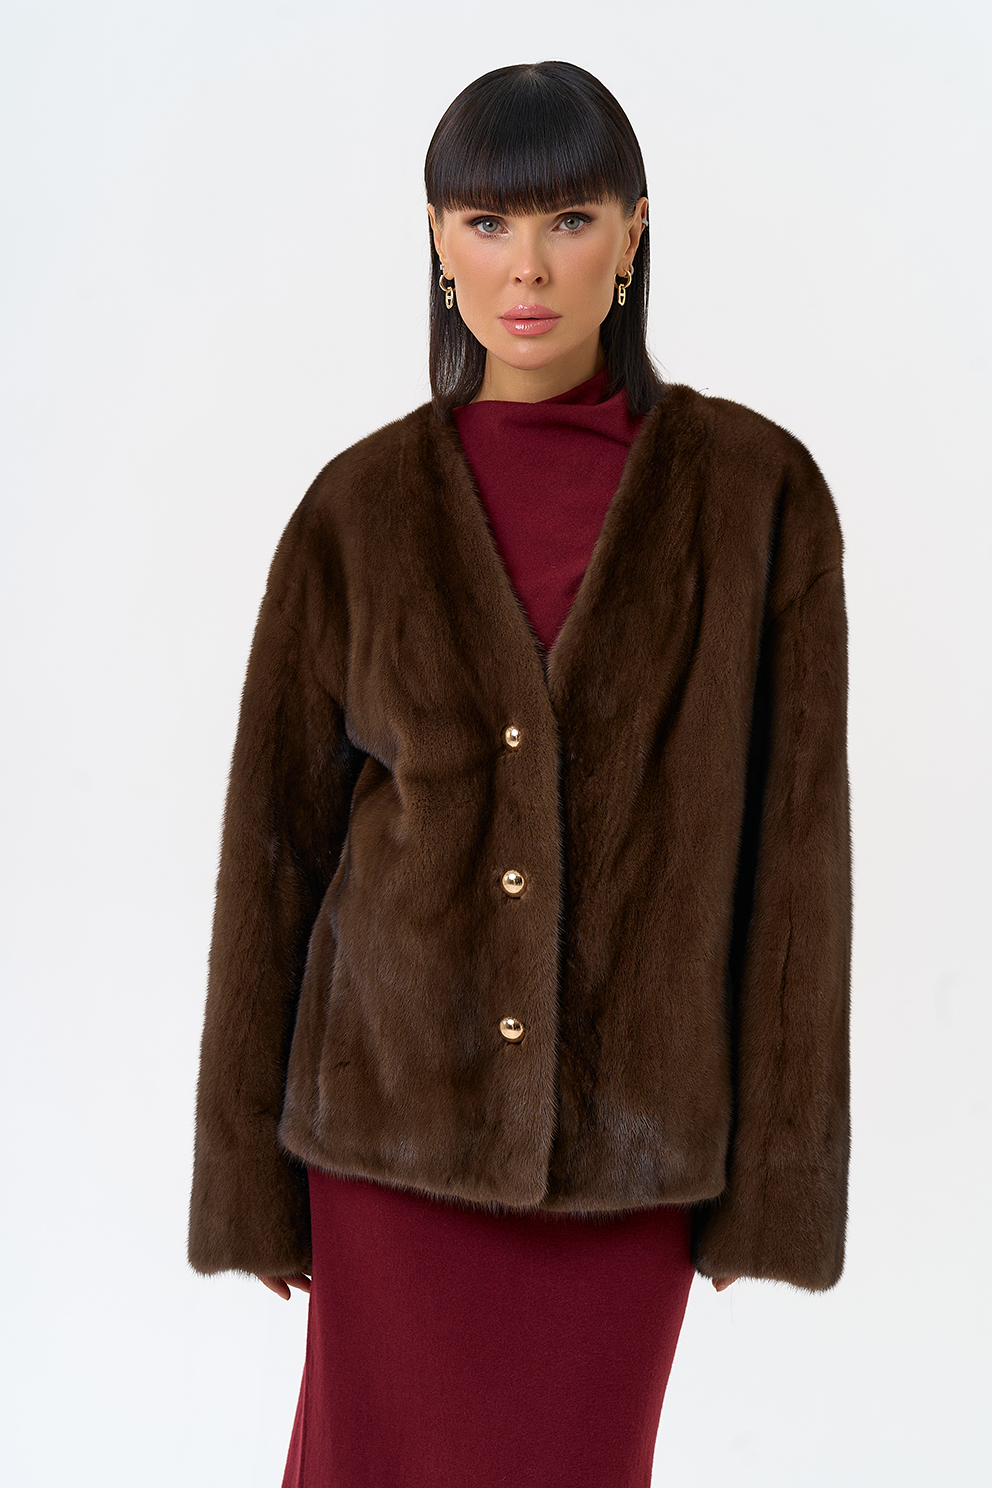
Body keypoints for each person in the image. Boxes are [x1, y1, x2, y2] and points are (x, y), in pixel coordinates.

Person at [188, 60, 852, 1488]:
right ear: (438, 239)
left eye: (569, 218)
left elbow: (796, 862)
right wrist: (246, 1182)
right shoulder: (357, 508)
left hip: (632, 1161)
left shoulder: (759, 496)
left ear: (634, 231)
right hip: (387, 1144)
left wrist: (776, 1188)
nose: (528, 268)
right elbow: (273, 854)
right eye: (487, 223)